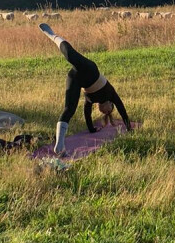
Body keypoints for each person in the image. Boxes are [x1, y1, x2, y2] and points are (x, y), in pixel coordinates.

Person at [39, 25, 131, 155]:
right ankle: (52, 35)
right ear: (110, 104)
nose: (105, 111)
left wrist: (92, 129)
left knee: (69, 109)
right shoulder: (111, 94)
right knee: (71, 56)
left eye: (105, 112)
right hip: (90, 71)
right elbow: (122, 108)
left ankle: (60, 145)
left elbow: (87, 115)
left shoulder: (90, 100)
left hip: (76, 77)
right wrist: (128, 128)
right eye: (109, 110)